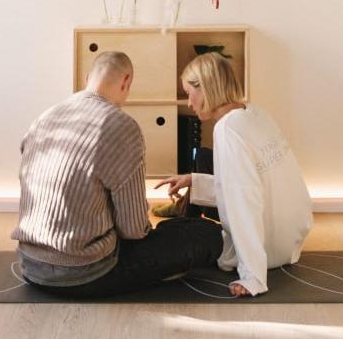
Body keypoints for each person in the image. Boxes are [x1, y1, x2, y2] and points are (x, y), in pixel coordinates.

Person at [12, 50, 222, 298]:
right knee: (207, 234)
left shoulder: (45, 117)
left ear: (88, 78)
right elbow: (133, 230)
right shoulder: (121, 126)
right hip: (84, 272)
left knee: (175, 228)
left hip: (31, 265)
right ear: (126, 82)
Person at [155, 52, 313, 297]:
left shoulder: (227, 128)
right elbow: (250, 183)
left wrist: (252, 277)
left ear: (205, 87)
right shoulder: (256, 114)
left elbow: (244, 200)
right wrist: (193, 181)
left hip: (267, 246)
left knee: (174, 231)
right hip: (289, 240)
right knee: (204, 166)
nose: (189, 103)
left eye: (189, 93)